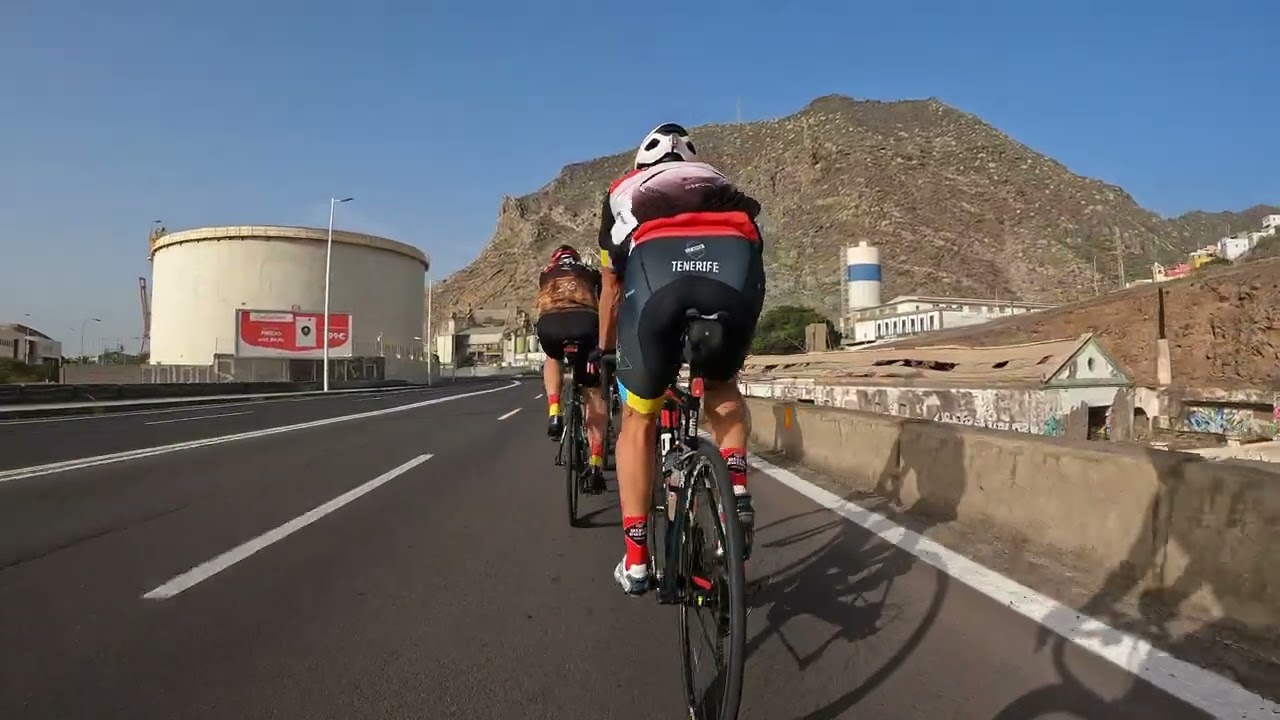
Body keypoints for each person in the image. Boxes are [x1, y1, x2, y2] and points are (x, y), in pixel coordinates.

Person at [593, 123, 765, 595]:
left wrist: (606, 349)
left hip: (657, 276)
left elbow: (611, 283)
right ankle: (736, 485)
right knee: (721, 384)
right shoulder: (717, 180)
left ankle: (636, 560)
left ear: (640, 166)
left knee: (639, 416)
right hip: (732, 267)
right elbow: (756, 246)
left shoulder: (621, 190)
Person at [535, 244, 608, 493]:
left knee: (551, 356)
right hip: (585, 324)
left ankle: (554, 410)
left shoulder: (546, 272)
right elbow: (605, 298)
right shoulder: (588, 271)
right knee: (593, 392)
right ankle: (596, 464)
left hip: (550, 325)